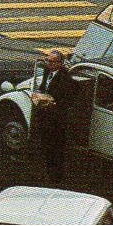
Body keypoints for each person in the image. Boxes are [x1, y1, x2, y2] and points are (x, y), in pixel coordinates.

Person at [30, 49, 80, 182]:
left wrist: (51, 101)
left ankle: (56, 177)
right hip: (45, 116)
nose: (49, 63)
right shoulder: (48, 72)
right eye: (47, 60)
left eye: (52, 61)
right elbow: (42, 87)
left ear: (60, 63)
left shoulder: (65, 78)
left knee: (56, 148)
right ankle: (48, 171)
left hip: (56, 119)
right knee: (46, 146)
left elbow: (66, 99)